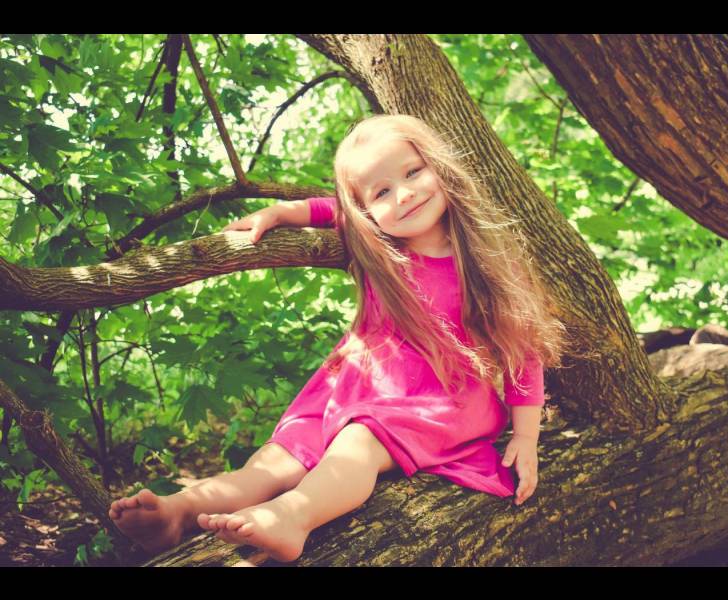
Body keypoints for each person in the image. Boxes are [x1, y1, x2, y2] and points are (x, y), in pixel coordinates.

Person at [108, 114, 568, 562]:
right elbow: (331, 209)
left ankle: (294, 517)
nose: (404, 194)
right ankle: (180, 512)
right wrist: (282, 211)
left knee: (358, 443)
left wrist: (526, 435)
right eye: (382, 191)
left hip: (442, 400)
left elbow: (521, 350)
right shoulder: (378, 248)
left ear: (439, 166)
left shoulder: (487, 261)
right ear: (366, 212)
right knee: (278, 458)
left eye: (413, 172)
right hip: (353, 385)